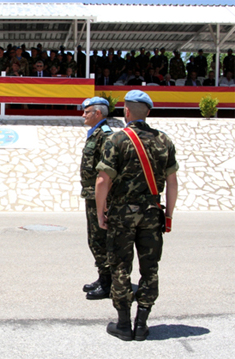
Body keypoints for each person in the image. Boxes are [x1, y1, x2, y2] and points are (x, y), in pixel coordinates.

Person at [95, 90, 178, 341]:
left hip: (122, 213)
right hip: (153, 212)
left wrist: (100, 213)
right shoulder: (165, 141)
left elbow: (102, 181)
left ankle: (123, 324)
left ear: (126, 112)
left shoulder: (117, 140)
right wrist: (169, 215)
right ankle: (141, 324)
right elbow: (172, 183)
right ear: (149, 113)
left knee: (121, 265)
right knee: (150, 267)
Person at [80, 97, 113, 300]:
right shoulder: (95, 134)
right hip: (92, 195)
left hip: (99, 197)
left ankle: (107, 282)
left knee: (100, 239)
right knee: (94, 239)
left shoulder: (105, 136)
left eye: (87, 111)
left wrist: (104, 201)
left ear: (98, 113)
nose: (83, 115)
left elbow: (107, 172)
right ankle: (103, 277)